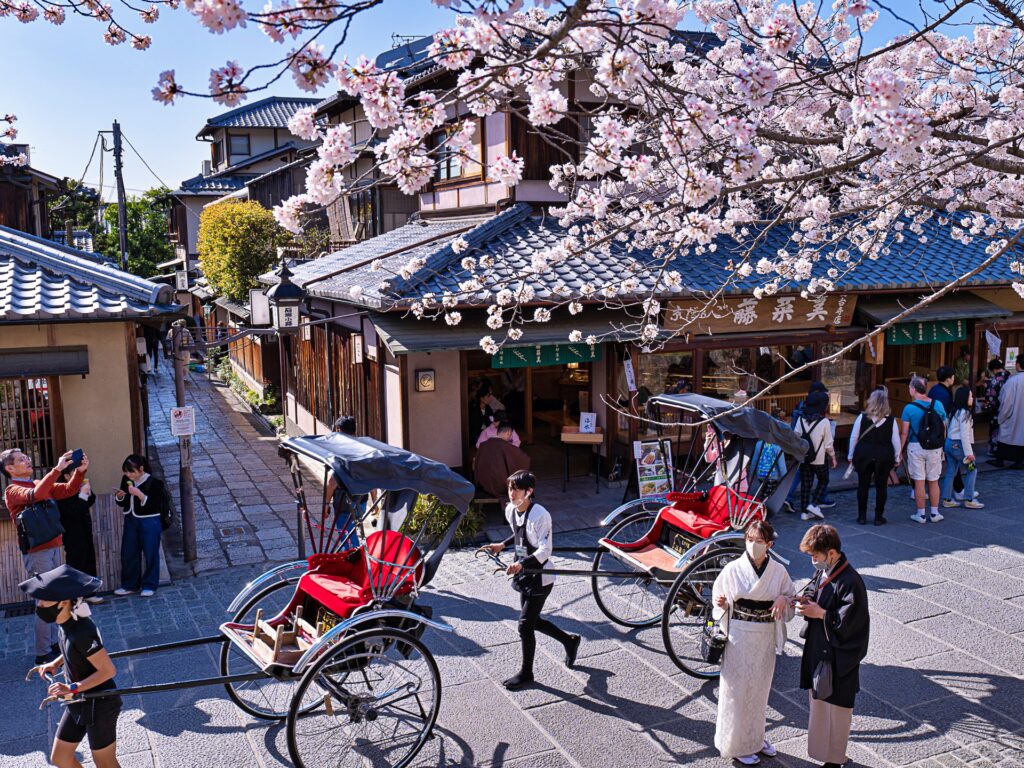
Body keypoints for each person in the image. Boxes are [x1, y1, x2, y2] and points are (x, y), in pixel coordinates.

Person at [483, 470, 580, 691]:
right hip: (523, 573)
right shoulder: (510, 510)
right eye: (509, 488)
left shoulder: (540, 515)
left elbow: (546, 549)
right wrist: (502, 545)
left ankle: (527, 673)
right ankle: (569, 641)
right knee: (532, 621)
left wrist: (521, 564)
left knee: (525, 625)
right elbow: (519, 535)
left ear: (529, 491)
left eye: (516, 489)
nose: (511, 493)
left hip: (541, 576)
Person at [21, 565, 122, 768]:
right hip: (78, 699)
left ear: (64, 602)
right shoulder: (65, 622)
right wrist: (56, 662)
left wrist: (71, 688)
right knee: (60, 758)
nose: (39, 604)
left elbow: (108, 670)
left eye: (44, 599)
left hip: (100, 702)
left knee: (105, 762)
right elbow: (71, 649)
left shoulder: (83, 631)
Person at [711, 520, 795, 766]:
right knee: (736, 691)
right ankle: (736, 745)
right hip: (739, 634)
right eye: (749, 539)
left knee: (759, 691)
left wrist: (782, 598)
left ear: (769, 544)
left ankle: (756, 739)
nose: (753, 545)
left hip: (764, 635)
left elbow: (791, 598)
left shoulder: (778, 571)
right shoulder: (733, 568)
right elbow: (720, 601)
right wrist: (720, 603)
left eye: (759, 541)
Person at [1, 448, 88, 664]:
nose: (28, 460)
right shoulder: (13, 490)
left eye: (27, 457)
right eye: (21, 460)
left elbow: (68, 490)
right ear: (10, 468)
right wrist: (57, 469)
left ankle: (52, 644)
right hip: (38, 550)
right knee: (46, 600)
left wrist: (79, 471)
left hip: (54, 545)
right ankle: (42, 652)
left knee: (56, 597)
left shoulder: (38, 483)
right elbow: (35, 496)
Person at [796, 525, 870, 768]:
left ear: (831, 552)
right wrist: (806, 600)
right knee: (819, 705)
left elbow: (850, 622)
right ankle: (825, 754)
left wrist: (822, 614)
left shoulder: (851, 580)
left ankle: (835, 758)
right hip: (821, 650)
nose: (813, 560)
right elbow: (813, 588)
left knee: (836, 709)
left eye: (815, 555)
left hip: (839, 658)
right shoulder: (827, 571)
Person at [112, 455, 170, 598]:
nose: (128, 475)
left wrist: (139, 494)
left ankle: (150, 585)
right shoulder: (126, 480)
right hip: (131, 519)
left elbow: (154, 505)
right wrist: (119, 496)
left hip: (150, 521)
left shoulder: (155, 483)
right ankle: (130, 585)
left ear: (141, 469)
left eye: (132, 472)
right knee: (128, 553)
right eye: (126, 472)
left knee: (151, 553)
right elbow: (123, 502)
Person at [847, 386, 901, 526]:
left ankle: (862, 516)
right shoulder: (891, 421)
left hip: (864, 454)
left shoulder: (862, 417)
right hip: (883, 455)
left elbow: (854, 437)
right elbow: (896, 441)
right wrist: (897, 457)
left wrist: (850, 455)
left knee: (863, 485)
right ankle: (878, 517)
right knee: (881, 487)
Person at [900, 375, 947, 524]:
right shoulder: (938, 404)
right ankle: (934, 512)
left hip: (916, 445)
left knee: (919, 481)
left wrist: (899, 450)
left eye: (909, 387)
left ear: (913, 389)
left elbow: (905, 432)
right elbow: (944, 426)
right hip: (935, 447)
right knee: (934, 480)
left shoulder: (909, 408)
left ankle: (920, 514)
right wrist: (942, 446)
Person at [56, 469, 103, 604]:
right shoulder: (60, 490)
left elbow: (90, 501)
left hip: (85, 529)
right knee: (76, 562)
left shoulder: (77, 485)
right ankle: (75, 597)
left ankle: (89, 593)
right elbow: (73, 511)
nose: (80, 476)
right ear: (66, 476)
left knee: (89, 559)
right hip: (71, 532)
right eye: (75, 474)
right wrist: (82, 495)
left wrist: (87, 491)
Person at [941, 386, 985, 510]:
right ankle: (969, 499)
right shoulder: (965, 413)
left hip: (949, 444)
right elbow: (964, 435)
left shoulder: (954, 411)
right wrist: (969, 453)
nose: (972, 398)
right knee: (972, 470)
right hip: (959, 445)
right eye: (970, 396)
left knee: (951, 471)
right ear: (965, 398)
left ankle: (947, 499)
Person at [797, 391, 836, 521]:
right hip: (819, 459)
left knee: (805, 484)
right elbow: (828, 444)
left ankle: (804, 512)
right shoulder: (824, 422)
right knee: (823, 480)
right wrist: (833, 457)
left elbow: (795, 437)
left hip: (804, 458)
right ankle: (813, 504)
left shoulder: (800, 419)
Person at [475, 422, 531, 499]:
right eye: (510, 434)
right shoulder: (506, 446)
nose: (510, 437)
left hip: (483, 484)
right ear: (508, 432)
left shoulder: (483, 445)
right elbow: (524, 459)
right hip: (500, 485)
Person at [995, 356, 1024, 469]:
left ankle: (1001, 459)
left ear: (1017, 365)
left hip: (1013, 416)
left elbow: (1006, 401)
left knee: (1008, 436)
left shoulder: (1012, 381)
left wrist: (1002, 417)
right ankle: (1019, 461)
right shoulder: (1013, 380)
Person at [984, 358, 1009, 463]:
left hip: (997, 409)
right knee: (1006, 430)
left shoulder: (995, 380)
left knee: (995, 429)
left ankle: (994, 450)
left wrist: (988, 404)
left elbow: (990, 396)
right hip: (1008, 407)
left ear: (994, 369)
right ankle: (1006, 451)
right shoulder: (1009, 376)